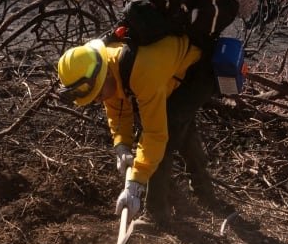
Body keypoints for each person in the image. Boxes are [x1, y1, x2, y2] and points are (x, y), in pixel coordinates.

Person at [56, 34, 221, 225]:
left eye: (98, 94)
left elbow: (155, 135)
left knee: (168, 130)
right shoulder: (106, 64)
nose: (97, 100)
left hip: (197, 72)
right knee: (180, 126)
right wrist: (122, 146)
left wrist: (135, 183)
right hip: (167, 75)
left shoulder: (141, 71)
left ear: (105, 74)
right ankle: (205, 192)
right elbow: (117, 109)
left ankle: (156, 214)